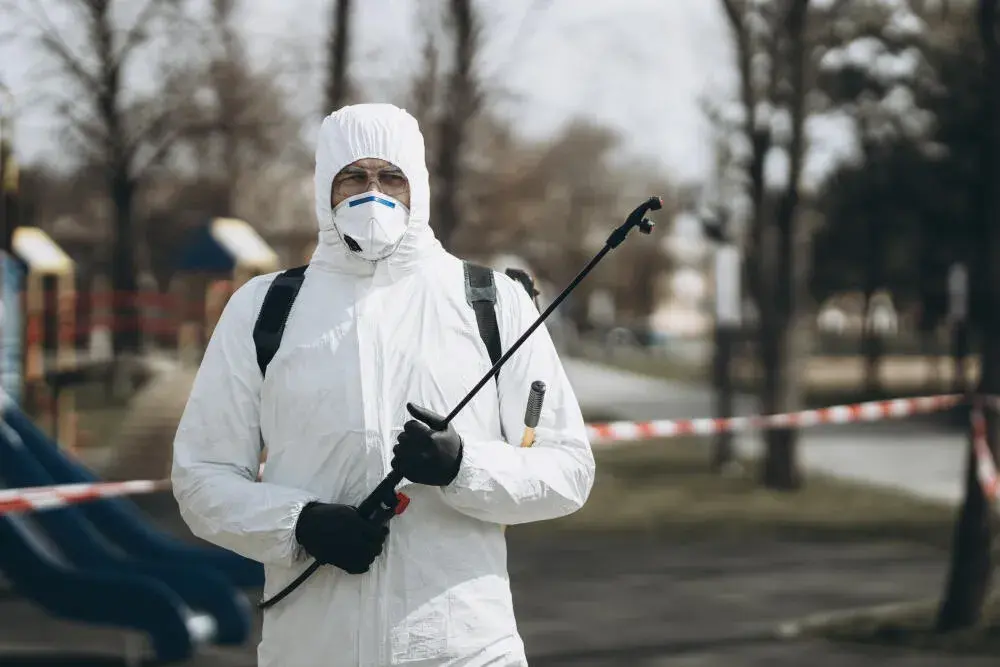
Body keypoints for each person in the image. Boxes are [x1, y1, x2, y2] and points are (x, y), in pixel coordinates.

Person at [171, 103, 595, 667]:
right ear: (325, 186)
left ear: (417, 185)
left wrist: (462, 467)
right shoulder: (265, 308)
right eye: (354, 177)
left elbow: (568, 469)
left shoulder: (491, 301)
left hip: (465, 649)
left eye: (391, 176)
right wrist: (299, 525)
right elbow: (201, 477)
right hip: (311, 649)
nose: (374, 193)